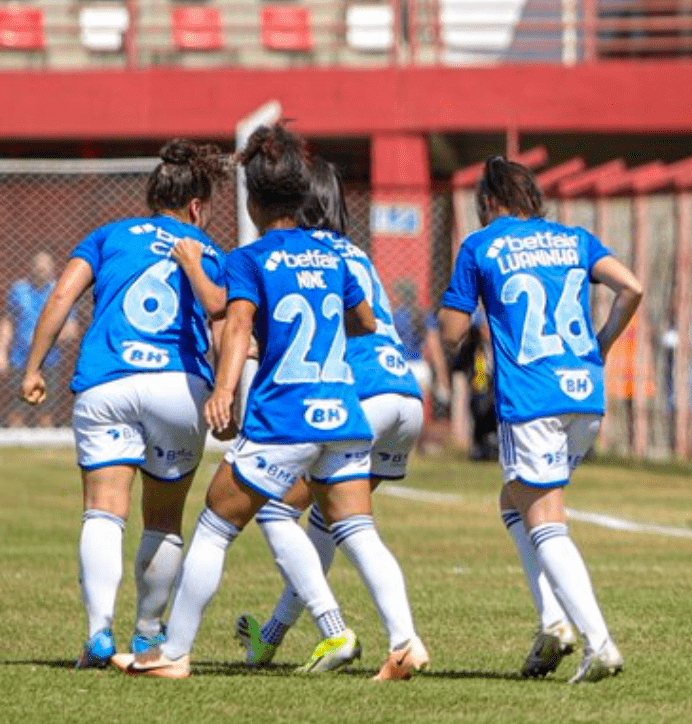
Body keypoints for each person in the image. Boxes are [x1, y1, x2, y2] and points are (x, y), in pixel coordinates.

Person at [115, 123, 426, 680]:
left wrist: (225, 390)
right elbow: (365, 322)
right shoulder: (335, 256)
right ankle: (404, 642)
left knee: (215, 523)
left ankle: (174, 653)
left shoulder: (251, 257)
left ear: (253, 200)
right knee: (358, 531)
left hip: (286, 416)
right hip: (345, 416)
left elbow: (237, 326)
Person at [19, 140, 229, 668]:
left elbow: (62, 295)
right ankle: (147, 635)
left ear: (152, 196)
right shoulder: (209, 249)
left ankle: (97, 635)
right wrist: (229, 397)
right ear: (196, 207)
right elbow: (225, 323)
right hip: (177, 388)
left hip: (107, 383)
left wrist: (33, 366)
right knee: (162, 520)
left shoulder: (107, 235)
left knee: (103, 511)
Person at [438, 155, 642, 683]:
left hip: (532, 399)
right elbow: (632, 288)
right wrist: (600, 344)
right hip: (585, 395)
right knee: (516, 502)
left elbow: (452, 332)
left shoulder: (480, 246)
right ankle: (552, 622)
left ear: (488, 202)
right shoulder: (574, 238)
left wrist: (463, 307)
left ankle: (597, 642)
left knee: (546, 519)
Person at [232, 156, 428, 672]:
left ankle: (344, 633)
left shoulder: (299, 255)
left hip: (356, 396)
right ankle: (274, 638)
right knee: (330, 520)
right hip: (405, 393)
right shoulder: (353, 252)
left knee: (276, 509)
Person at [1, 251, 80, 427]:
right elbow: (8, 322)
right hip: (19, 359)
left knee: (45, 414)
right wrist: (2, 352)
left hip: (48, 361)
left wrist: (44, 339)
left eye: (45, 267)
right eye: (38, 266)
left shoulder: (59, 292)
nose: (41, 270)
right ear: (31, 267)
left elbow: (71, 329)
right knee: (16, 412)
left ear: (51, 269)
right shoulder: (19, 290)